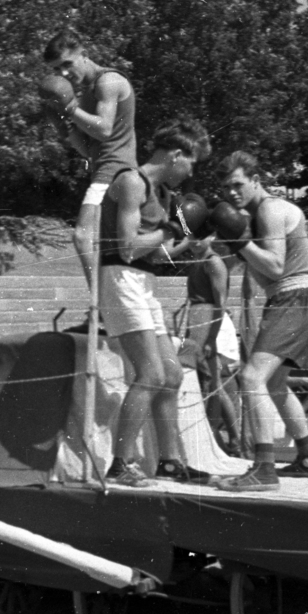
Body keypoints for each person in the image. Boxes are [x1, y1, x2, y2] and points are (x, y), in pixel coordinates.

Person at [98, 120, 212, 486]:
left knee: (172, 374)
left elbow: (158, 255)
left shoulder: (161, 194)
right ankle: (120, 464)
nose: (191, 172)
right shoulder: (131, 181)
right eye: (191, 163)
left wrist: (189, 240)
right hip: (120, 277)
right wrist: (172, 229)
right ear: (176, 154)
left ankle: (169, 461)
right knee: (150, 374)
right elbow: (127, 247)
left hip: (144, 281)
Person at [213, 151, 308, 491]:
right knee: (274, 384)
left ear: (256, 180)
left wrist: (240, 241)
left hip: (293, 297)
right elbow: (239, 260)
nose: (232, 192)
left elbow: (275, 267)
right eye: (226, 187)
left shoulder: (270, 210)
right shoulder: (255, 215)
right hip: (290, 301)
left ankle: (264, 469)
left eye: (238, 184)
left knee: (251, 377)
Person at [42, 31, 138, 287]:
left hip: (115, 170)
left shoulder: (108, 81)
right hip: (105, 169)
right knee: (107, 245)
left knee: (83, 237)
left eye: (67, 64)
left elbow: (104, 129)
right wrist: (64, 126)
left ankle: (98, 300)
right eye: (56, 69)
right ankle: (107, 300)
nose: (63, 73)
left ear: (84, 54)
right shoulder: (86, 91)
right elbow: (89, 150)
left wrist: (71, 109)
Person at [184, 251, 242, 455]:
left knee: (214, 384)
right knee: (211, 384)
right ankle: (228, 438)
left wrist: (211, 337)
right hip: (197, 318)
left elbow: (220, 303)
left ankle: (234, 438)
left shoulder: (213, 261)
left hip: (211, 322)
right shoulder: (197, 261)